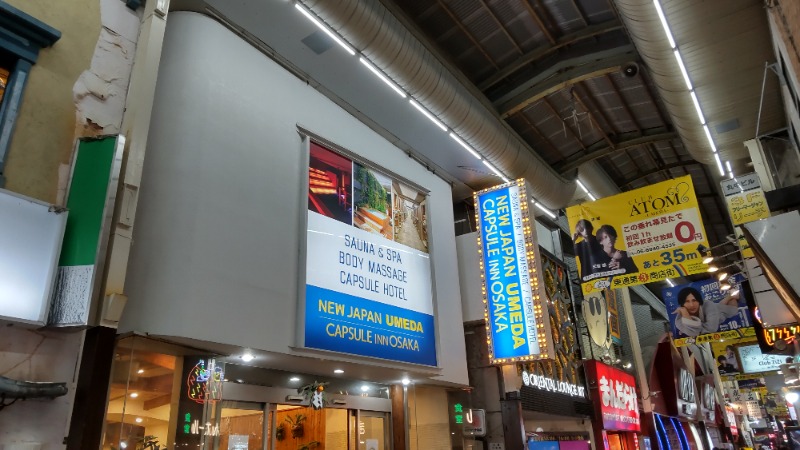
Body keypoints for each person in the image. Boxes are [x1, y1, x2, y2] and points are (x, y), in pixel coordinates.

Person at [673, 287, 740, 337]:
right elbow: (694, 333)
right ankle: (729, 297)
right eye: (687, 301)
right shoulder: (678, 321)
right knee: (718, 307)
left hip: (719, 311)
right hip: (715, 310)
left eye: (694, 300)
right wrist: (685, 313)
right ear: (682, 304)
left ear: (699, 301)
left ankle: (731, 296)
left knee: (733, 310)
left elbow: (711, 329)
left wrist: (689, 327)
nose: (691, 305)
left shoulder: (708, 304)